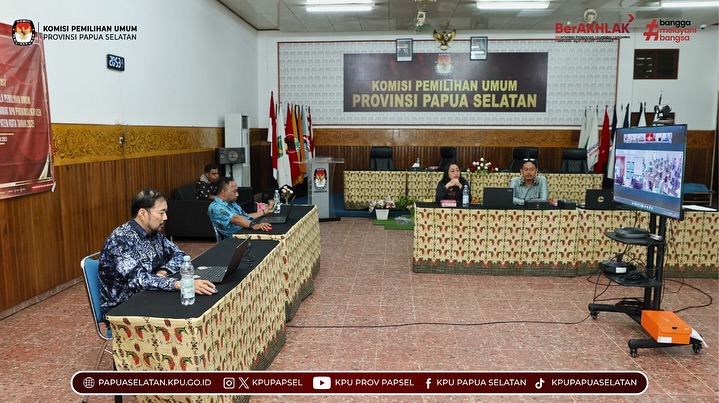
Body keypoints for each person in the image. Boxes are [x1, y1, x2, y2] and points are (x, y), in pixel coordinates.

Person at [98, 188, 216, 318]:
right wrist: (177, 284)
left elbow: (180, 255)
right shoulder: (120, 240)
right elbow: (137, 280)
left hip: (153, 297)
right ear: (143, 214)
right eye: (161, 213)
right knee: (187, 313)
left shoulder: (154, 234)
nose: (165, 217)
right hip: (125, 310)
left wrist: (163, 272)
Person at [208, 177, 275, 237]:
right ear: (224, 192)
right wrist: (254, 225)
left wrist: (265, 211)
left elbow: (245, 217)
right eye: (234, 191)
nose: (237, 194)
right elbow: (235, 219)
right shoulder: (215, 207)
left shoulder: (231, 202)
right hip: (236, 239)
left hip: (245, 231)